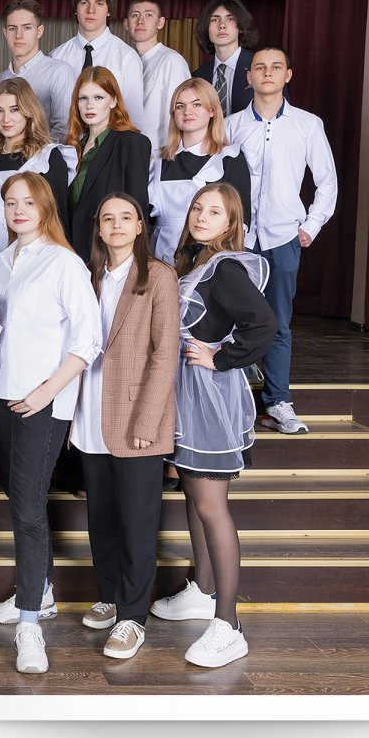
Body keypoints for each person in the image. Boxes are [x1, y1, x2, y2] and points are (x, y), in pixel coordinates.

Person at [148, 183, 276, 668]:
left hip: (208, 394)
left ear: (231, 222)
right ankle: (202, 591)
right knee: (192, 496)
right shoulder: (195, 261)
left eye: (215, 212)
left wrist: (221, 358)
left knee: (210, 504)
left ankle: (229, 623)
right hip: (185, 391)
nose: (201, 217)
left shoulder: (225, 267)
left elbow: (263, 324)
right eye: (197, 208)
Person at [0, 173, 101, 675]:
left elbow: (88, 340)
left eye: (28, 202)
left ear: (46, 207)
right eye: (10, 202)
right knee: (20, 499)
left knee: (27, 510)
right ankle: (42, 589)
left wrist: (45, 392)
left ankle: (30, 625)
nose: (18, 210)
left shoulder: (64, 263)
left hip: (41, 403)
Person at [69, 192, 180, 660]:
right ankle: (111, 595)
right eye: (107, 218)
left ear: (139, 226)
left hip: (136, 417)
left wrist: (149, 419)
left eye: (126, 218)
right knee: (102, 518)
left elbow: (165, 352)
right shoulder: (87, 276)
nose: (116, 225)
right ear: (98, 228)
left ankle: (133, 616)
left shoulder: (158, 276)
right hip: (90, 415)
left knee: (136, 521)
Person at [226, 46, 337, 435]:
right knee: (233, 319)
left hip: (283, 235)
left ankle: (277, 403)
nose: (267, 73)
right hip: (238, 239)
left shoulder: (307, 124)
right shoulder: (231, 125)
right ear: (249, 77)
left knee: (278, 321)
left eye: (276, 67)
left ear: (287, 75)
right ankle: (233, 402)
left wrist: (312, 225)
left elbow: (327, 181)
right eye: (260, 67)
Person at [147, 78, 252, 263]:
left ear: (212, 110)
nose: (187, 111)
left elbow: (240, 221)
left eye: (196, 104)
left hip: (208, 258)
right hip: (159, 255)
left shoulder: (230, 157)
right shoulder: (156, 159)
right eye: (180, 106)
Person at [0, 77, 76, 269]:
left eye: (14, 110)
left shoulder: (48, 157)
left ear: (29, 112)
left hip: (35, 258)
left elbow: (58, 219)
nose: (6, 119)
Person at [63, 66, 151, 264]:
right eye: (83, 98)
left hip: (109, 253)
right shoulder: (70, 148)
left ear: (113, 101)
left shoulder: (132, 143)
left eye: (98, 98)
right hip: (71, 253)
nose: (89, 105)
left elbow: (138, 210)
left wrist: (132, 262)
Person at [50, 0, 146, 133]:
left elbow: (134, 119)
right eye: (84, 2)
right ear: (75, 9)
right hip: (64, 143)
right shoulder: (56, 56)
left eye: (99, 3)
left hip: (111, 145)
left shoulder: (127, 57)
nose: (91, 10)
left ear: (109, 10)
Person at [0, 0, 75, 141]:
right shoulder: (0, 80)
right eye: (12, 28)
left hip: (45, 154)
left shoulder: (59, 72)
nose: (18, 35)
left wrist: (29, 152)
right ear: (5, 33)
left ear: (39, 31)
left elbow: (64, 129)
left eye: (27, 28)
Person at [124, 0, 191, 151]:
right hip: (128, 150)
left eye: (148, 15)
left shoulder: (171, 61)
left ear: (160, 23)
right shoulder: (124, 62)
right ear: (126, 24)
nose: (140, 21)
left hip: (159, 153)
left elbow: (181, 114)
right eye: (135, 15)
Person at [192, 0, 259, 117]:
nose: (222, 25)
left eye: (230, 19)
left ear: (241, 27)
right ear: (206, 28)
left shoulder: (261, 67)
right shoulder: (197, 76)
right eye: (214, 20)